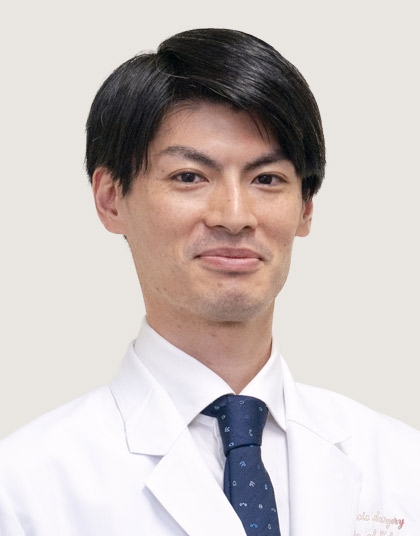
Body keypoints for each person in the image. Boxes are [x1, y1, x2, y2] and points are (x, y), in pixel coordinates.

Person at [0, 28, 419, 536]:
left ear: (306, 207)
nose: (234, 216)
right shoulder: (24, 491)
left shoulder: (402, 468)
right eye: (189, 177)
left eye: (267, 179)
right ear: (111, 199)